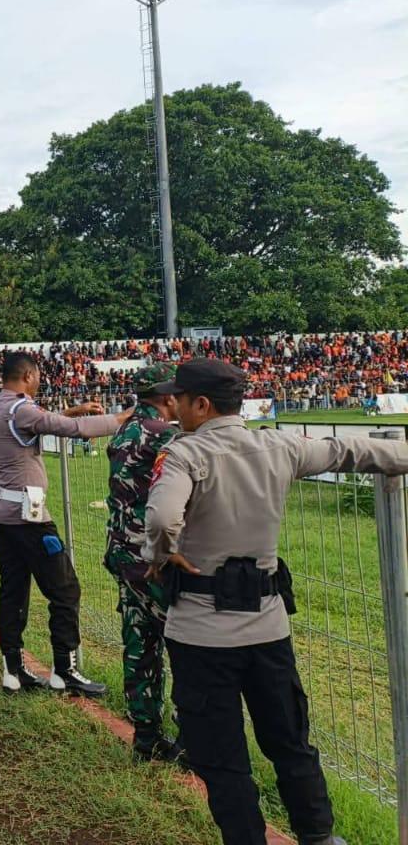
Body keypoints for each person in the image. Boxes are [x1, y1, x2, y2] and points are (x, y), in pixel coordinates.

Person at [144, 358, 408, 845]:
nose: (172, 406)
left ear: (201, 404)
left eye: (177, 399)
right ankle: (318, 835)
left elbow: (161, 519)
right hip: (267, 627)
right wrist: (400, 455)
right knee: (290, 742)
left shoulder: (184, 454)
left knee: (222, 758)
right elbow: (346, 451)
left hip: (202, 633)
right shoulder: (279, 445)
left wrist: (163, 554)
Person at [0, 351, 130, 697]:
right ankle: (65, 670)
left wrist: (72, 410)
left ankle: (13, 669)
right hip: (28, 517)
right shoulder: (21, 408)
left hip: (3, 512)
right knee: (65, 590)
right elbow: (72, 429)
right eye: (38, 377)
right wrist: (122, 418)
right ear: (28, 376)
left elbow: (41, 423)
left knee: (13, 589)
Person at [103, 363, 182, 763]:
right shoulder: (164, 434)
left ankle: (146, 735)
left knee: (139, 643)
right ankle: (191, 737)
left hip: (122, 550)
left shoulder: (125, 429)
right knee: (182, 644)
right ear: (167, 397)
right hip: (153, 557)